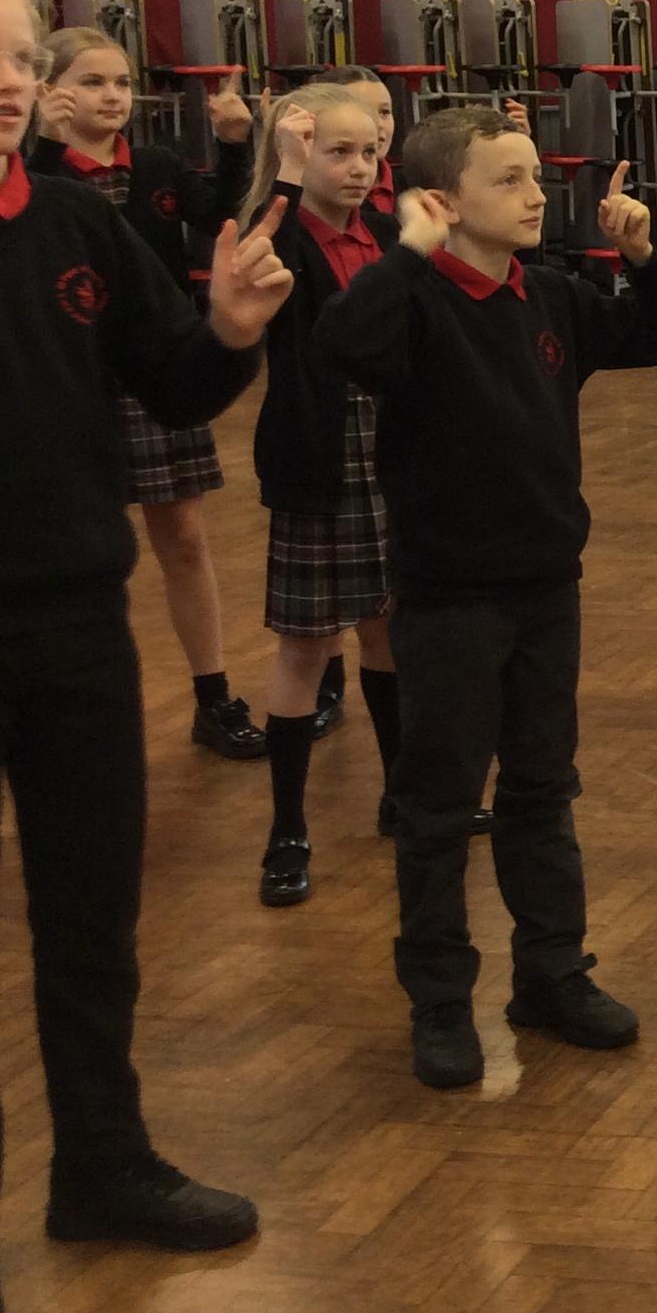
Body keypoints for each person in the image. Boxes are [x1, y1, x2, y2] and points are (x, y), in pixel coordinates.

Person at [0, 0, 293, 1313]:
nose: (10, 80)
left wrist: (231, 331)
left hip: (79, 627)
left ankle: (102, 1164)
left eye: (20, 56)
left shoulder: (79, 225)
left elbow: (177, 384)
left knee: (92, 923)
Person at [318, 106, 657, 1091]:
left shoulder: (553, 296)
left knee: (541, 788)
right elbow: (343, 343)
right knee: (440, 806)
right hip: (448, 600)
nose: (538, 195)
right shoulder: (413, 302)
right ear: (443, 202)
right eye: (510, 180)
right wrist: (407, 252)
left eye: (536, 176)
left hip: (546, 588)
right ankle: (441, 1002)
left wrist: (643, 258)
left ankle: (552, 973)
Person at [29, 32, 263, 759]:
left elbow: (222, 215)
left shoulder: (155, 164)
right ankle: (65, 713)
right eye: (91, 82)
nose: (112, 97)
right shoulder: (30, 170)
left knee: (184, 538)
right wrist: (44, 145)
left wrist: (234, 146)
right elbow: (27, 232)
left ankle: (212, 696)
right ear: (49, 92)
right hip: (69, 380)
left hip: (154, 371)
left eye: (120, 83)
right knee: (75, 551)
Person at [243, 83, 398, 907]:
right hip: (317, 459)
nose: (358, 167)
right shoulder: (286, 238)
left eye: (367, 151)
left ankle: (402, 795)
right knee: (305, 646)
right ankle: (288, 828)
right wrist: (287, 173)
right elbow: (260, 268)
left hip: (392, 457)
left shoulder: (386, 235)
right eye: (337, 152)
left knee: (389, 627)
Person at [321, 64, 398, 218]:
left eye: (384, 112)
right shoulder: (315, 198)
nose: (379, 124)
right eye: (364, 112)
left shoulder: (416, 184)